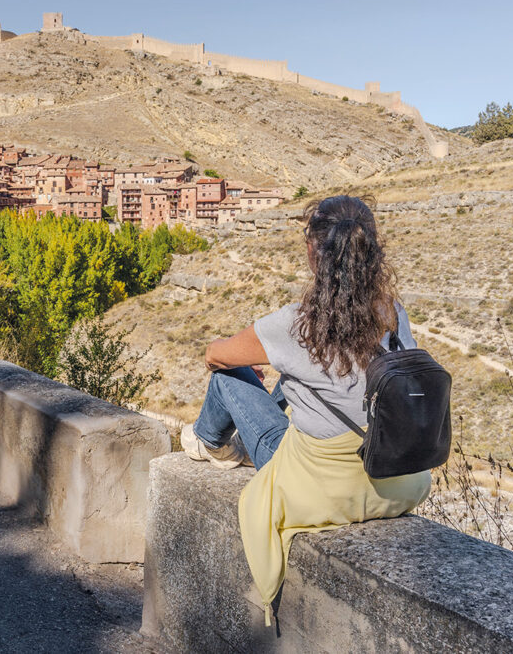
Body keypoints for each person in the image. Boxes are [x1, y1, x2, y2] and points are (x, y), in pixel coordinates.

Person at [182, 195, 431, 625]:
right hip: (399, 482)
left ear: (315, 251)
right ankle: (231, 431)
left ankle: (209, 443)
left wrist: (253, 362)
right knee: (294, 383)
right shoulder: (393, 314)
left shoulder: (297, 322)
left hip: (322, 489)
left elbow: (216, 355)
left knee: (228, 380)